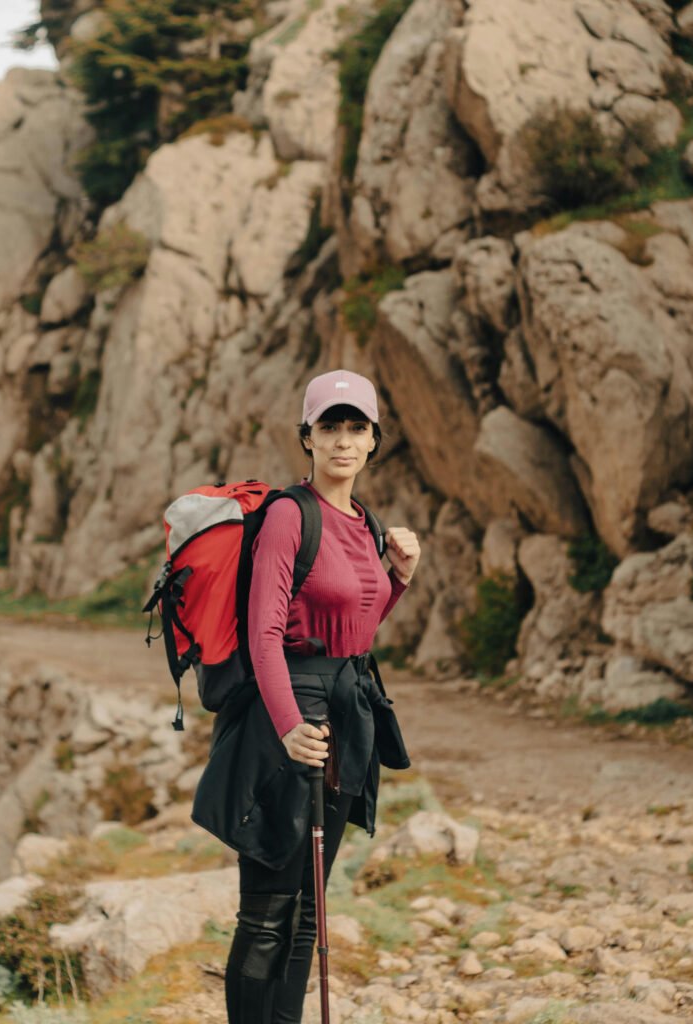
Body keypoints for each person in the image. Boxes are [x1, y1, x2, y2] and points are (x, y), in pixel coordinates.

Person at [195, 369, 420, 1024]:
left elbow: (355, 632)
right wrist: (290, 727)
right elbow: (265, 637)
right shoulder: (289, 517)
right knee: (265, 914)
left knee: (307, 916)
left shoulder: (365, 523)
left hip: (348, 717)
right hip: (285, 719)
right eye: (330, 427)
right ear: (308, 437)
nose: (343, 440)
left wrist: (398, 579)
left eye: (356, 427)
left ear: (374, 439)